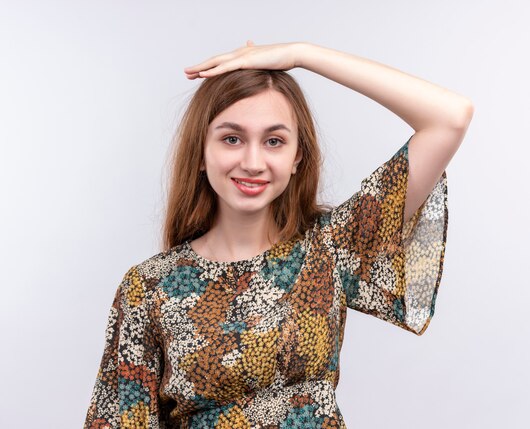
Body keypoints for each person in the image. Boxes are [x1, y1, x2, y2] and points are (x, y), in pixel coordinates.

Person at [83, 41, 473, 428]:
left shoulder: (330, 246)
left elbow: (449, 117)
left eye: (274, 141)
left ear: (297, 156)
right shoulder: (151, 287)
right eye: (231, 138)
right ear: (201, 152)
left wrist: (302, 55)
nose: (253, 163)